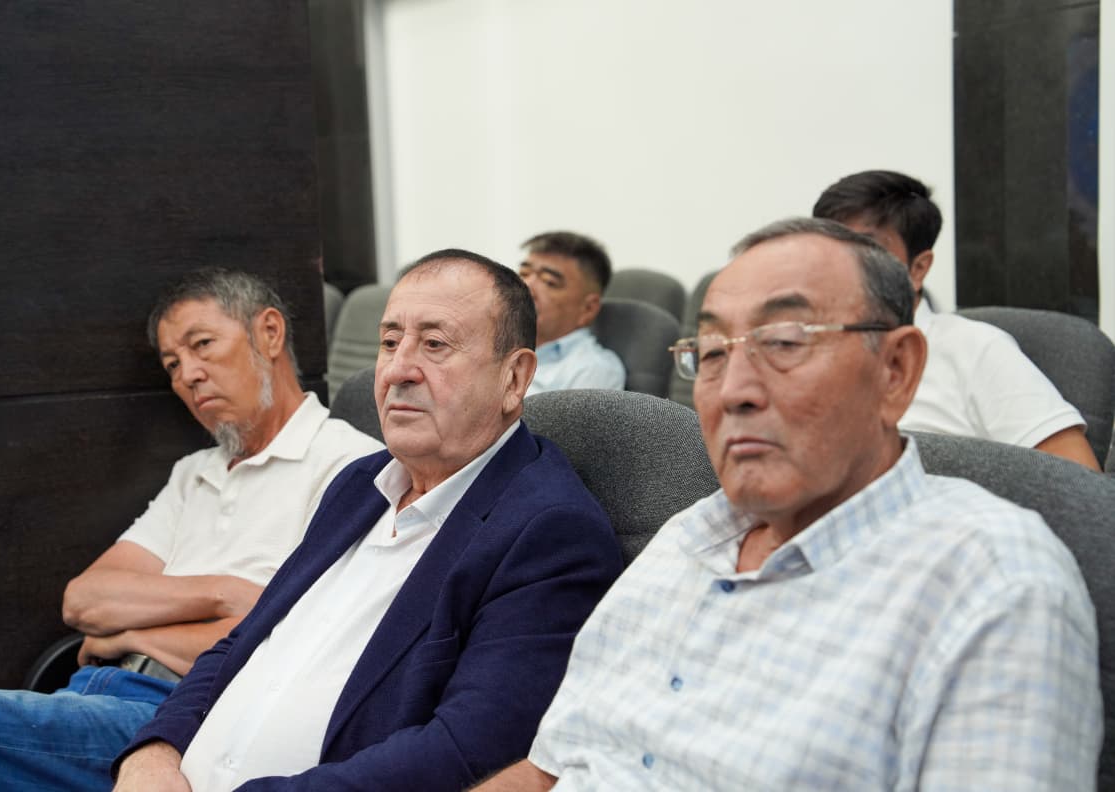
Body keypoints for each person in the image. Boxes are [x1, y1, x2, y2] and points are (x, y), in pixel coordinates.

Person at [478, 218, 1100, 790]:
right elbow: (548, 770)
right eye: (712, 352)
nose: (734, 391)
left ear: (896, 371)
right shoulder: (686, 534)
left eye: (783, 342)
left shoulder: (993, 581)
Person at [112, 250, 624, 791]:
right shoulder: (358, 483)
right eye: (389, 342)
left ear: (514, 378)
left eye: (434, 344)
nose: (398, 369)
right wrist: (154, 752)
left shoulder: (549, 532)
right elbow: (240, 646)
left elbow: (467, 749)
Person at [0, 268, 384, 791]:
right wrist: (225, 594)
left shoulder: (349, 464)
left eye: (202, 344)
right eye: (172, 363)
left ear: (269, 333)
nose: (187, 374)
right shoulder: (194, 473)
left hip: (180, 719)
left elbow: (292, 645)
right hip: (88, 692)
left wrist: (131, 634)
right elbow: (84, 600)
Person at [813, 169, 1100, 470]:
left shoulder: (976, 349)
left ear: (918, 269)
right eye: (828, 250)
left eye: (865, 251)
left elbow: (1080, 481)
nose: (838, 268)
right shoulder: (805, 349)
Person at [519, 231, 625, 394]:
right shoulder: (495, 345)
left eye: (549, 282)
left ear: (588, 309)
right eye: (523, 274)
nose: (525, 286)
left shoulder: (593, 369)